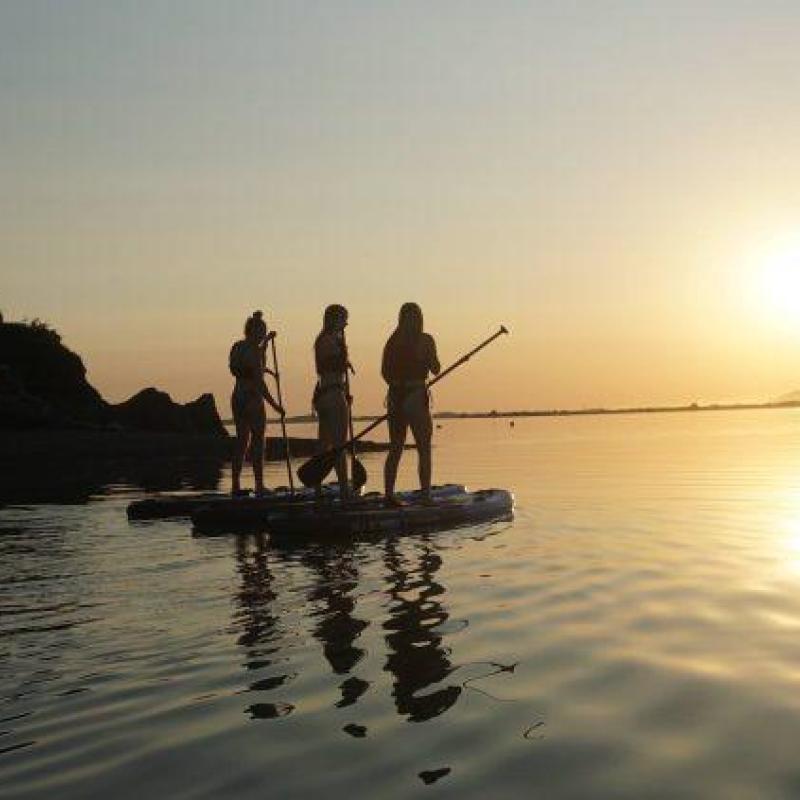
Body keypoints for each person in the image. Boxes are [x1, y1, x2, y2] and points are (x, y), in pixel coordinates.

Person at [382, 303, 440, 505]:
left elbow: (385, 373)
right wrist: (425, 360)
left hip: (395, 396)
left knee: (395, 448)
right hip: (415, 395)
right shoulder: (425, 340)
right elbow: (436, 369)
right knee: (423, 448)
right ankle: (426, 495)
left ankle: (389, 494)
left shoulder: (392, 341)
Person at [229, 311, 285, 496]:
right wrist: (275, 405)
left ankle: (235, 485)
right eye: (262, 331)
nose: (263, 333)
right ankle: (259, 486)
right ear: (254, 330)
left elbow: (248, 368)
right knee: (258, 441)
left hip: (237, 397)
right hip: (252, 399)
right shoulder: (253, 350)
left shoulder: (238, 347)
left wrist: (267, 342)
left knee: (242, 441)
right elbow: (258, 381)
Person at [313, 304, 351, 500]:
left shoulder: (322, 340)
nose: (346, 323)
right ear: (334, 320)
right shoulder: (329, 340)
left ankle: (317, 487)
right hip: (333, 394)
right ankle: (345, 489)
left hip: (325, 394)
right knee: (339, 445)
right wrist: (343, 354)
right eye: (343, 319)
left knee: (324, 444)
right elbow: (332, 366)